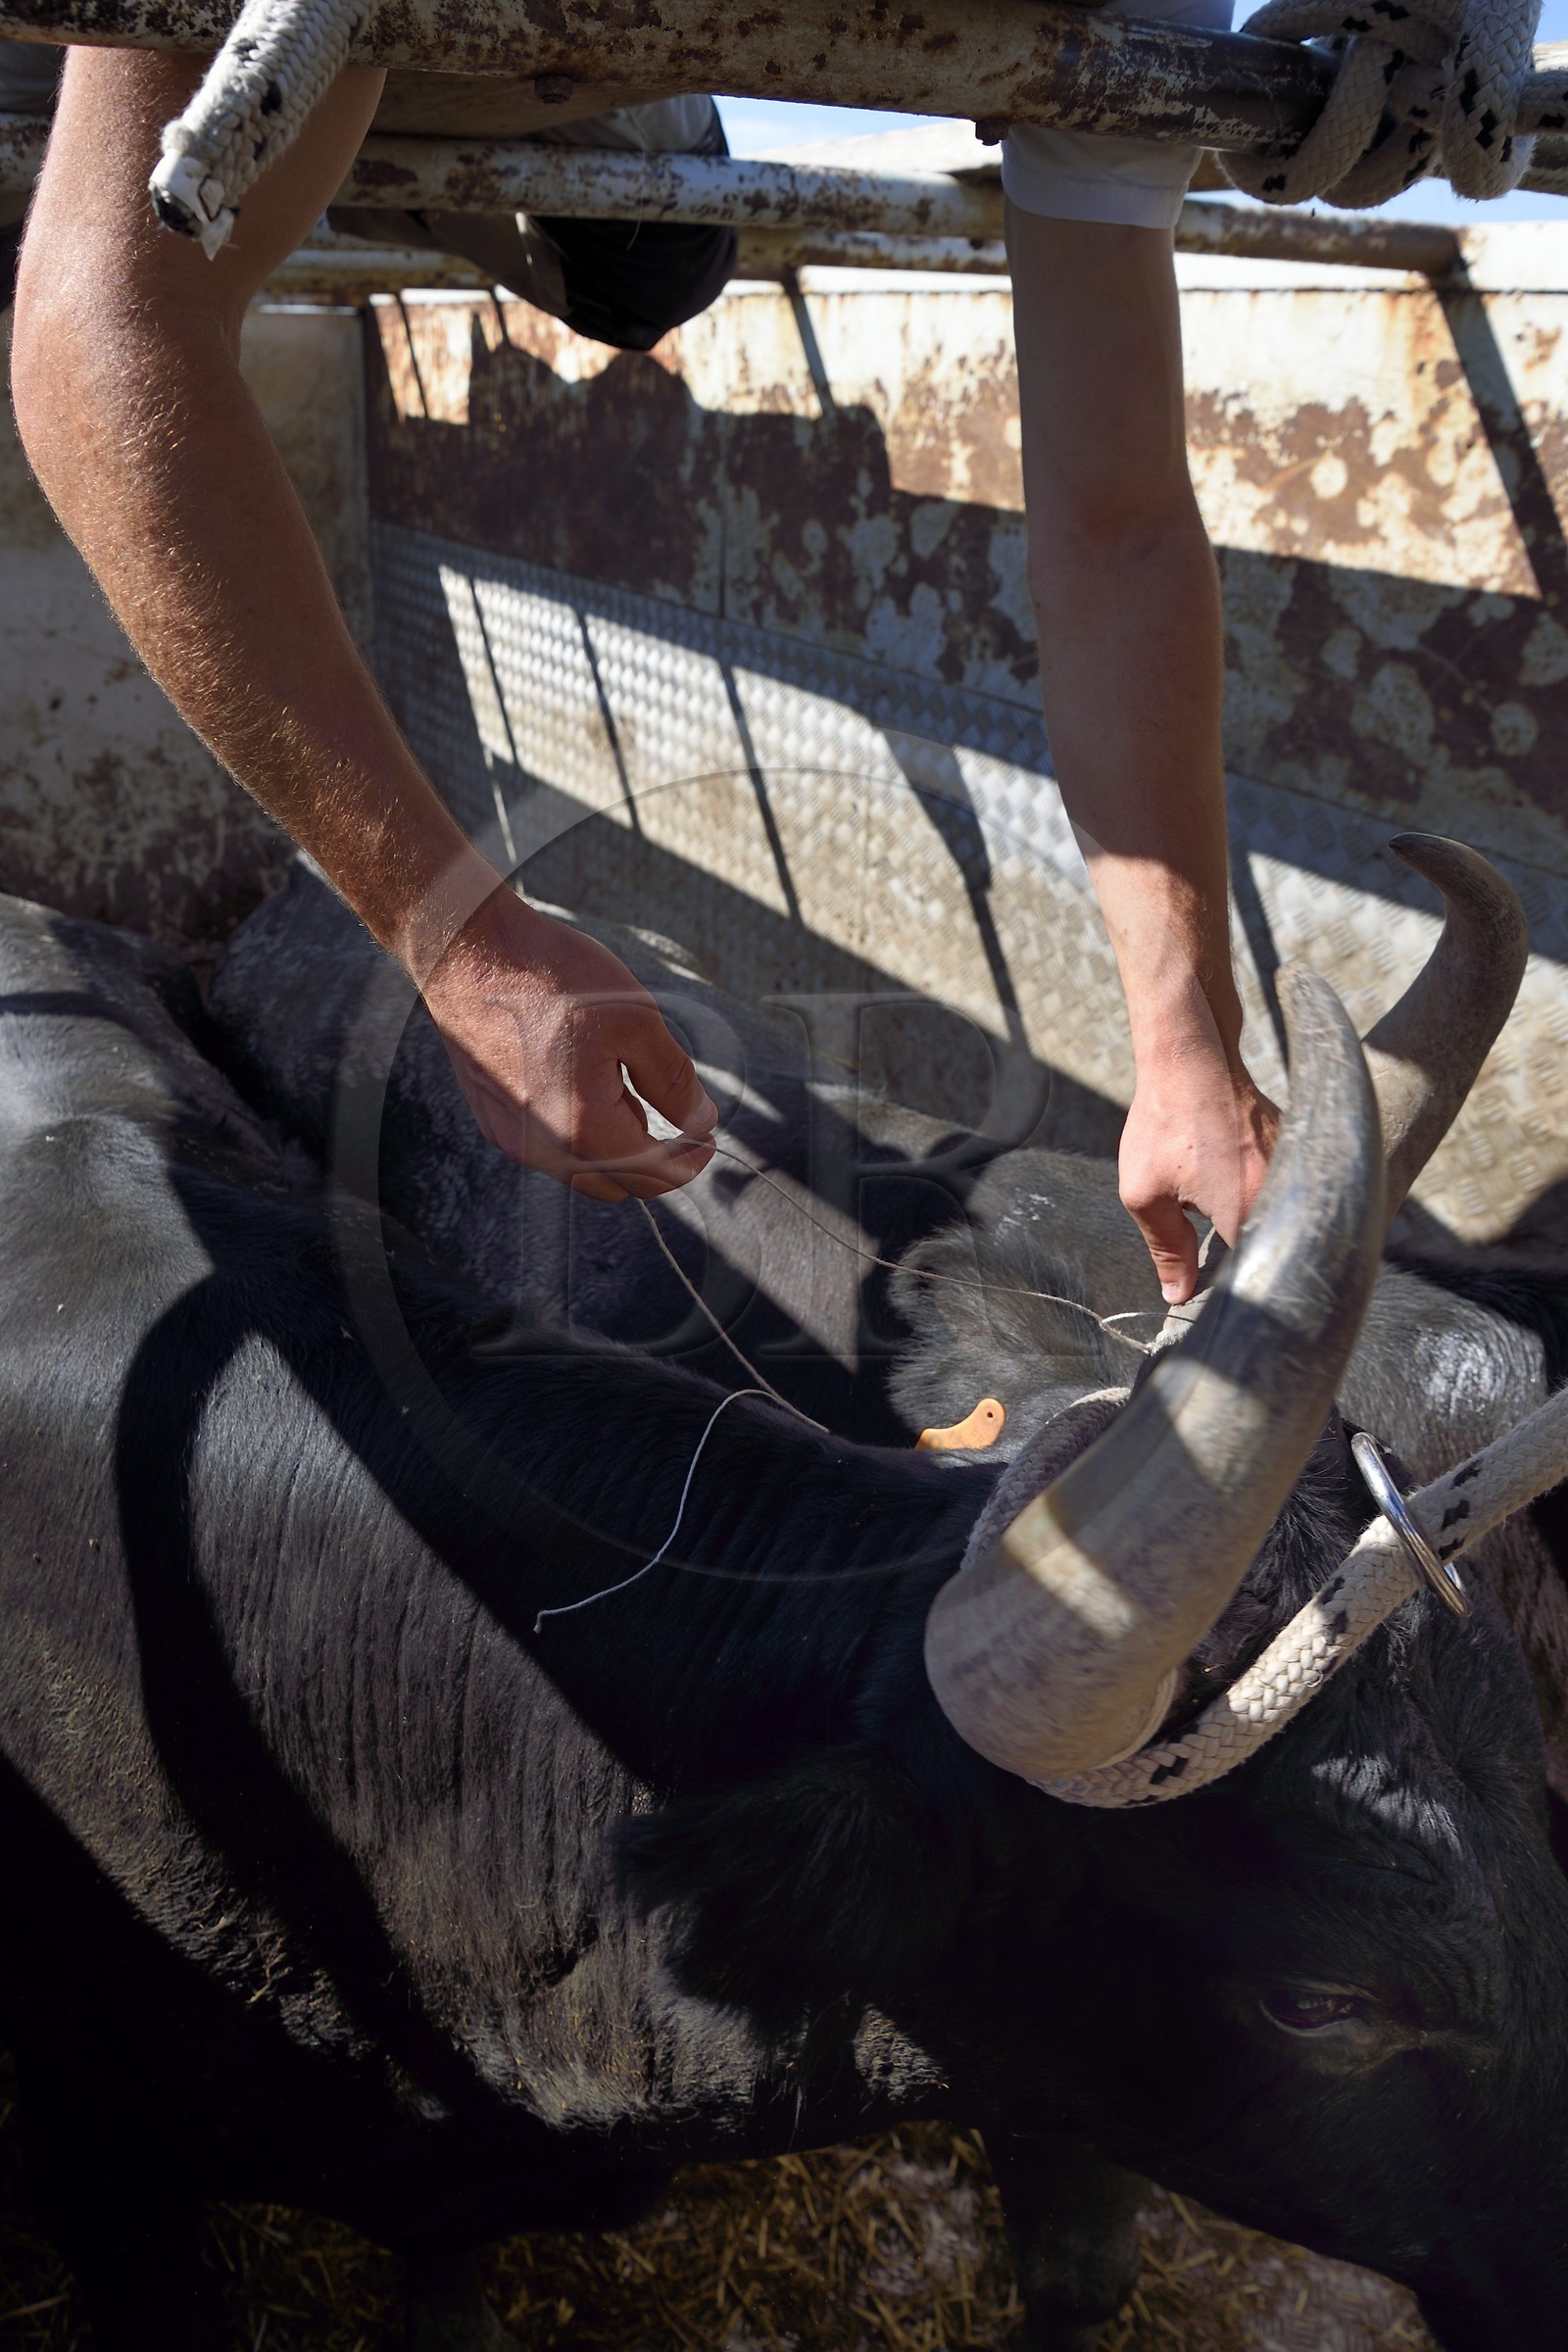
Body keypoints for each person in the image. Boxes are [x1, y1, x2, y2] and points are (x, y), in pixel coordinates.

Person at [9, 0, 1275, 1302]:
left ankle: (338, 156)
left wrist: (1189, 1035)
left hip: (524, 56)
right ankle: (282, 150)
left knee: (660, 257)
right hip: (243, 41)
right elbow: (100, 333)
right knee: (72, 218)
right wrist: (459, 940)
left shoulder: (1128, 12)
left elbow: (1118, 518)